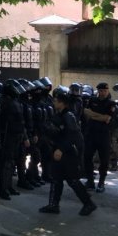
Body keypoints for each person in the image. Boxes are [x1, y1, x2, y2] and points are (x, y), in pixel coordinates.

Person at [39, 86, 96, 216]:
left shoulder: (68, 115)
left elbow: (72, 135)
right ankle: (53, 205)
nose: (53, 102)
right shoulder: (59, 115)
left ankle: (88, 204)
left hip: (68, 153)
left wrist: (61, 149)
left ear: (61, 102)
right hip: (59, 151)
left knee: (73, 180)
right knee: (56, 179)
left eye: (55, 101)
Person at [82, 82, 116, 193]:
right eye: (101, 91)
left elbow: (107, 118)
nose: (102, 93)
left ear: (108, 91)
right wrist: (99, 116)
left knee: (104, 160)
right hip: (91, 134)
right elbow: (86, 113)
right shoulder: (92, 101)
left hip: (104, 135)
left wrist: (94, 115)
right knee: (87, 157)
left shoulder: (111, 104)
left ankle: (101, 182)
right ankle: (90, 181)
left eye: (105, 91)